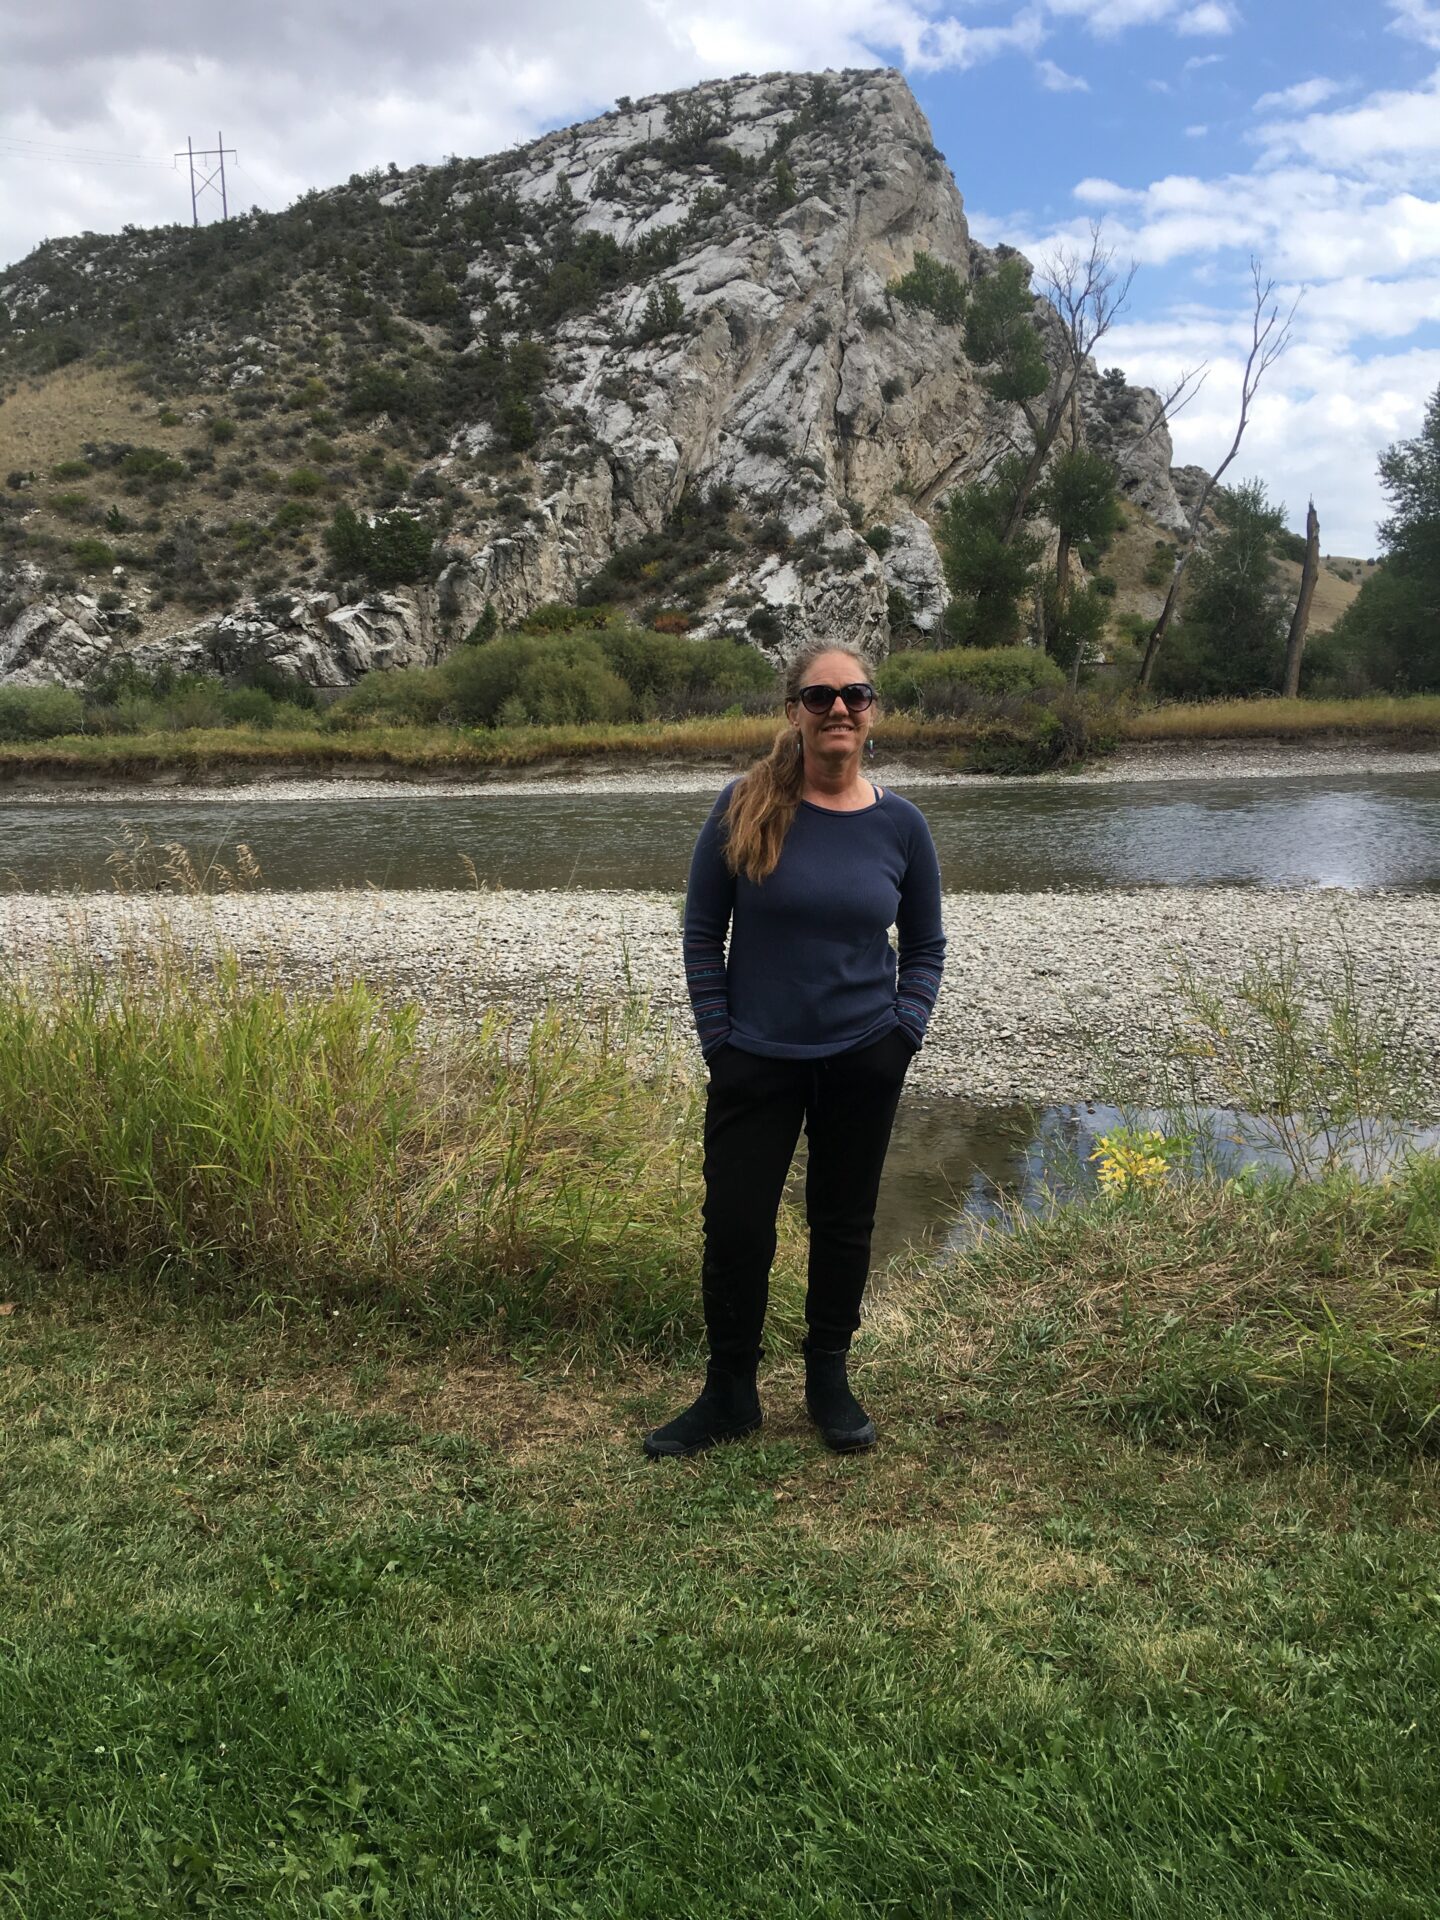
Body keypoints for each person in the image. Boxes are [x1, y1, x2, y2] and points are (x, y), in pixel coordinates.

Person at [643, 642, 946, 1460]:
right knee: (736, 1225)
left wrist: (903, 1035)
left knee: (843, 1221)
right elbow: (702, 934)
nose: (838, 708)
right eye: (820, 696)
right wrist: (720, 1040)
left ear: (873, 712)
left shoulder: (903, 825)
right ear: (794, 712)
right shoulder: (743, 805)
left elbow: (925, 946)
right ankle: (729, 1392)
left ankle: (828, 1380)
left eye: (854, 695)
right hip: (755, 1058)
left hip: (865, 1055)